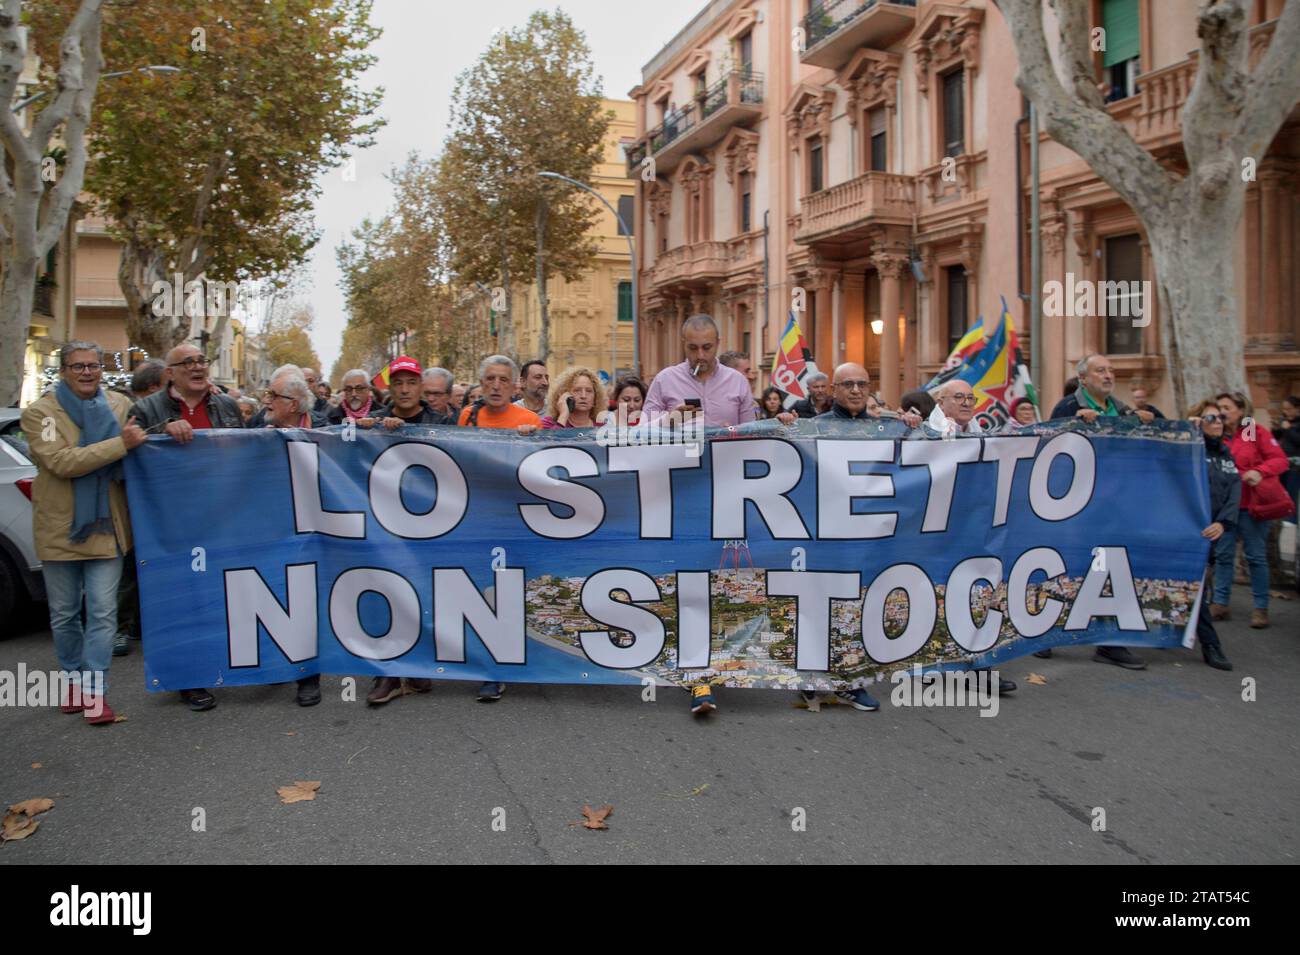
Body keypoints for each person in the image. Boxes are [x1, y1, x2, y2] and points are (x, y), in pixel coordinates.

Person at [21, 341, 146, 725]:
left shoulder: (119, 405)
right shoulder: (39, 413)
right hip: (60, 529)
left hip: (106, 527)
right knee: (64, 614)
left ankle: (95, 691)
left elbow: (149, 428)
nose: (88, 372)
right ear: (63, 372)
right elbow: (61, 462)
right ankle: (72, 678)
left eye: (93, 365)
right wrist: (118, 445)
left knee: (104, 612)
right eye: (78, 367)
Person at [458, 355, 539, 703]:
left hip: (516, 521)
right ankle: (490, 665)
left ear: (514, 386)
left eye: (503, 380)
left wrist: (532, 441)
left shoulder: (530, 419)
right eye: (489, 378)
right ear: (480, 383)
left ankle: (508, 665)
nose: (495, 385)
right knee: (482, 593)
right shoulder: (467, 417)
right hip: (478, 518)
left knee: (512, 592)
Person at [263, 368, 330, 705]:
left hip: (315, 526)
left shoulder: (325, 424)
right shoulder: (256, 428)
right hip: (271, 525)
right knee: (272, 593)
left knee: (305, 597)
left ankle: (308, 676)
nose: (267, 402)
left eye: (273, 396)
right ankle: (273, 664)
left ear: (292, 404)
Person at [1210, 390, 1294, 628]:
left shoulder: (1251, 431)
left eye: (1227, 407)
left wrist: (1259, 471)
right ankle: (1221, 602)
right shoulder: (1216, 433)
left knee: (1255, 557)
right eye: (1220, 408)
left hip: (1251, 506)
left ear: (1240, 409)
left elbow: (1280, 460)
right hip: (1225, 508)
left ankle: (1260, 608)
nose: (1222, 412)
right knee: (1223, 555)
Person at [1186, 400, 1238, 670]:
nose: (1217, 421)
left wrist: (1224, 523)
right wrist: (1189, 431)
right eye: (1210, 418)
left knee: (1195, 587)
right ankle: (1211, 644)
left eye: (1220, 417)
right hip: (1190, 530)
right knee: (1199, 589)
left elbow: (1234, 488)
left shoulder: (1226, 454)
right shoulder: (1187, 449)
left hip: (1214, 532)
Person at [642, 314, 759, 432]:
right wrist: (668, 420)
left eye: (707, 347)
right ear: (684, 344)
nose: (700, 355)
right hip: (679, 450)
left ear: (717, 343)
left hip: (725, 450)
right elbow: (642, 431)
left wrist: (731, 431)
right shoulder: (664, 380)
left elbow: (750, 431)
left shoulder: (738, 381)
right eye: (693, 348)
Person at [130, 343, 245, 436]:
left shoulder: (227, 404)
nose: (198, 367)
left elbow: (244, 448)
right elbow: (135, 453)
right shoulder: (144, 408)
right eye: (188, 363)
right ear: (170, 373)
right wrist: (162, 431)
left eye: (201, 361)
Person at [1049, 355, 1152, 423]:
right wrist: (1074, 422)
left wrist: (1141, 422)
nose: (1108, 376)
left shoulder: (1123, 410)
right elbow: (1052, 445)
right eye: (1100, 371)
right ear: (1083, 378)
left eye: (1111, 371)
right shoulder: (1066, 407)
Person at [374, 356, 455, 428]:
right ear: (390, 388)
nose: (404, 390)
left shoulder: (442, 423)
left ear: (421, 387)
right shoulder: (374, 420)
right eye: (398, 383)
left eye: (412, 383)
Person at [540, 367, 608, 429]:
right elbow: (552, 441)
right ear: (565, 394)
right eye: (577, 390)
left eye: (589, 391)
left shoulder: (602, 428)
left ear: (595, 397)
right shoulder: (548, 423)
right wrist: (563, 416)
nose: (583, 396)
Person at [1272, 395, 1300, 508]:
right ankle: (1280, 519)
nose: (1285, 412)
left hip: (1295, 464)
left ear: (1297, 409)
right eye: (1284, 409)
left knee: (1291, 493)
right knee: (1279, 493)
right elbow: (1276, 438)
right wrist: (1276, 429)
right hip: (1282, 462)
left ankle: (1291, 522)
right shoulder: (1284, 421)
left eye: (1289, 409)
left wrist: (1288, 429)